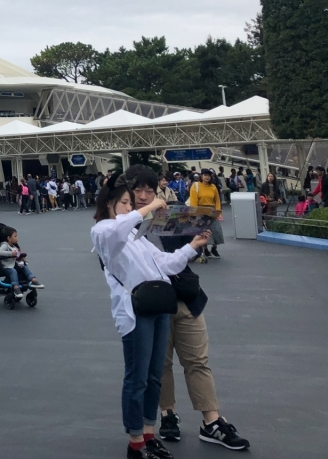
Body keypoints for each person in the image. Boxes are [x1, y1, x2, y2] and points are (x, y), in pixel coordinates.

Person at [118, 166, 252, 453]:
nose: (143, 197)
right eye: (137, 191)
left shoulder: (171, 215)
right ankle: (167, 414)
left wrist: (197, 235)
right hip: (151, 305)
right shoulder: (120, 227)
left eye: (149, 191)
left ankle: (211, 421)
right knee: (159, 367)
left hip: (185, 298)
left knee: (197, 360)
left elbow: (187, 250)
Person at [91, 172, 211, 459]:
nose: (130, 208)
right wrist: (149, 207)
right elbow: (118, 229)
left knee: (154, 376)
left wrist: (192, 246)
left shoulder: (136, 238)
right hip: (134, 313)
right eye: (124, 203)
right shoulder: (103, 233)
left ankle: (148, 434)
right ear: (109, 204)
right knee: (137, 379)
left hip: (157, 308)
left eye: (130, 204)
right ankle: (135, 443)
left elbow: (165, 264)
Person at [0, 226, 44, 298]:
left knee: (24, 267)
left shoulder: (14, 246)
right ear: (9, 238)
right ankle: (16, 287)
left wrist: (22, 257)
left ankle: (33, 279)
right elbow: (0, 253)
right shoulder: (4, 245)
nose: (17, 238)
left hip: (15, 264)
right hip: (7, 266)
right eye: (15, 236)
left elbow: (17, 254)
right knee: (13, 271)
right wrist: (11, 254)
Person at [188, 169, 223, 260]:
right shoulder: (196, 186)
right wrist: (195, 213)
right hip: (201, 210)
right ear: (201, 176)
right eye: (205, 175)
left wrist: (218, 212)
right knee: (204, 231)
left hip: (212, 211)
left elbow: (217, 200)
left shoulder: (213, 187)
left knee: (216, 231)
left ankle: (214, 248)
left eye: (208, 175)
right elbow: (193, 201)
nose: (207, 177)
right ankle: (205, 249)